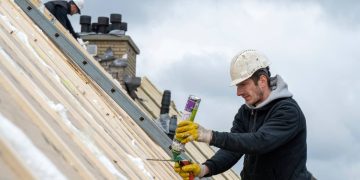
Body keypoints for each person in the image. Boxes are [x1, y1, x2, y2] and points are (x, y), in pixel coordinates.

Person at [174, 50, 313, 180]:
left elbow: (259, 142)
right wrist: (204, 169)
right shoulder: (246, 112)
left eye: (243, 85)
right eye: (237, 86)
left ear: (262, 81)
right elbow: (232, 150)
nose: (238, 92)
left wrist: (208, 136)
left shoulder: (287, 111)